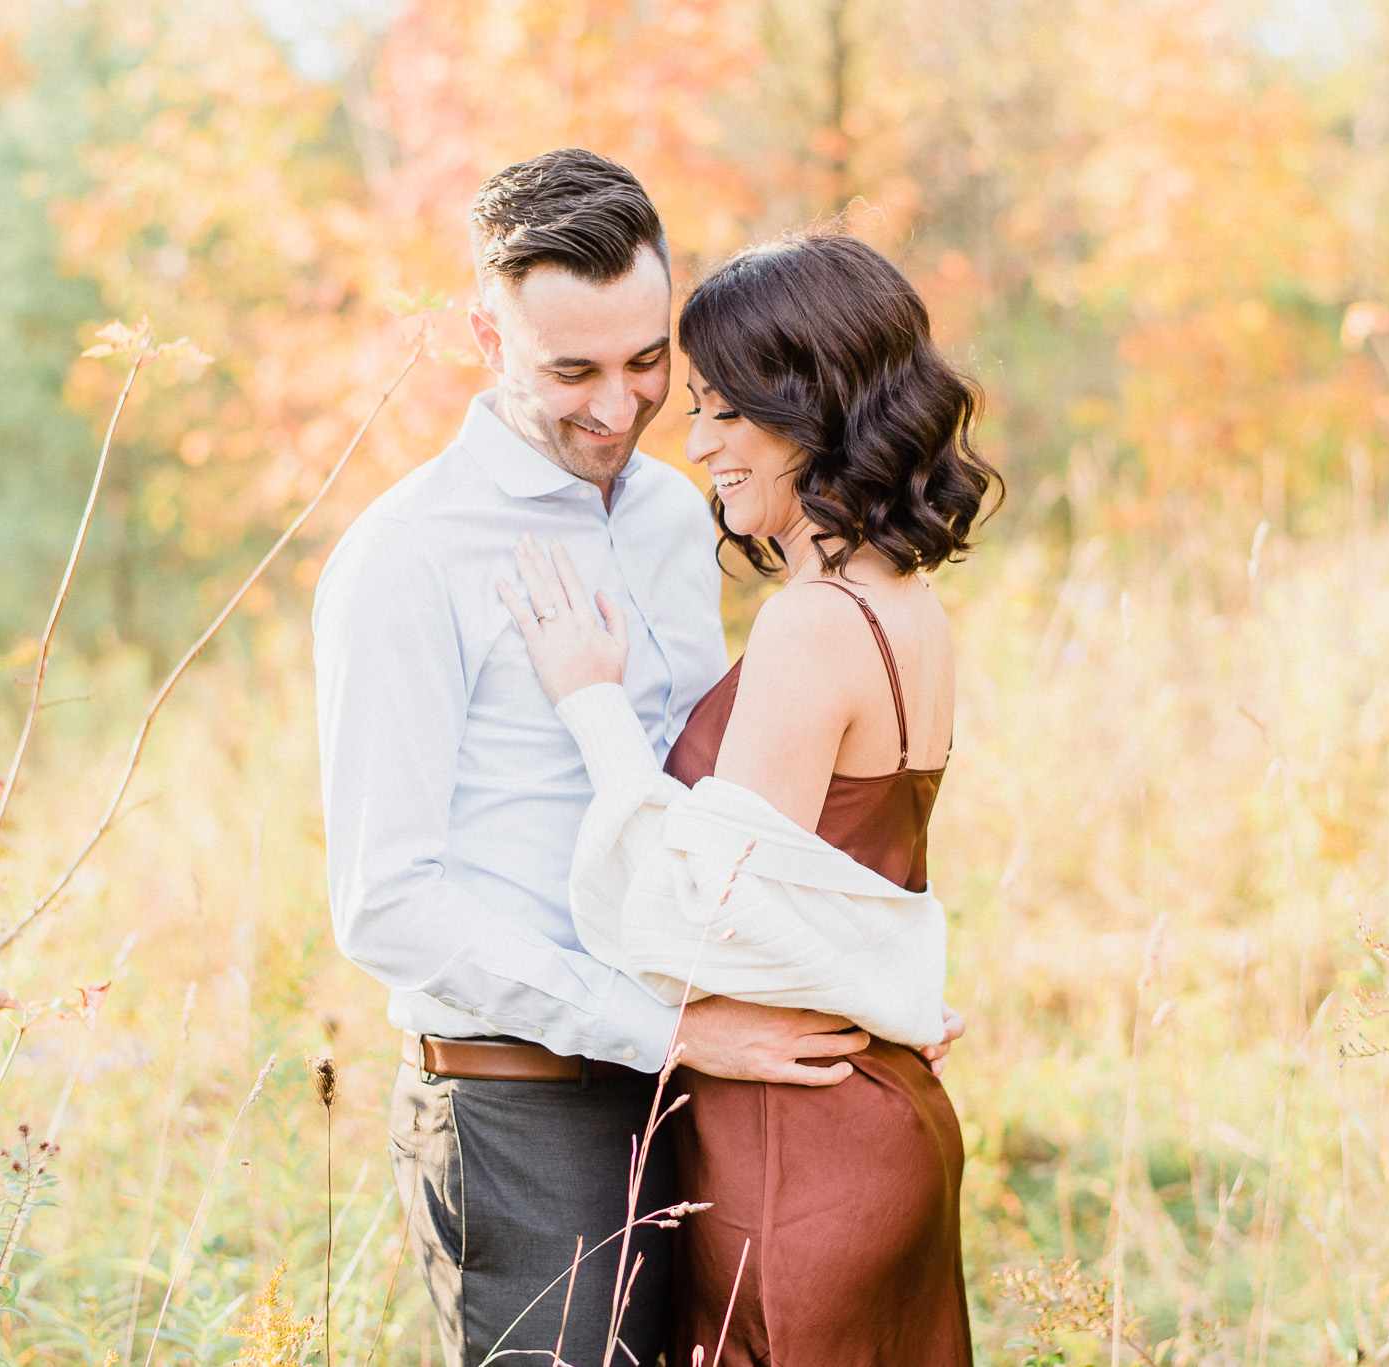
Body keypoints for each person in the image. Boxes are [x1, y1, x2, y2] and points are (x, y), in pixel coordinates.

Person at [312, 150, 894, 1366]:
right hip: (519, 1106)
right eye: (570, 370)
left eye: (646, 364)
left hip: (705, 1080)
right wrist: (654, 1025)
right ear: (486, 332)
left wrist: (861, 980)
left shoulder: (678, 515)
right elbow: (387, 905)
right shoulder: (406, 559)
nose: (618, 407)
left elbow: (709, 813)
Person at [500, 232, 999, 1365]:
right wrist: (898, 995)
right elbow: (844, 881)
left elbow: (705, 913)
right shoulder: (902, 603)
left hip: (798, 1140)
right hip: (866, 1107)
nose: (701, 441)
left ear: (815, 404)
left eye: (731, 410)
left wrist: (592, 703)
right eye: (702, 408)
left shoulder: (812, 622)